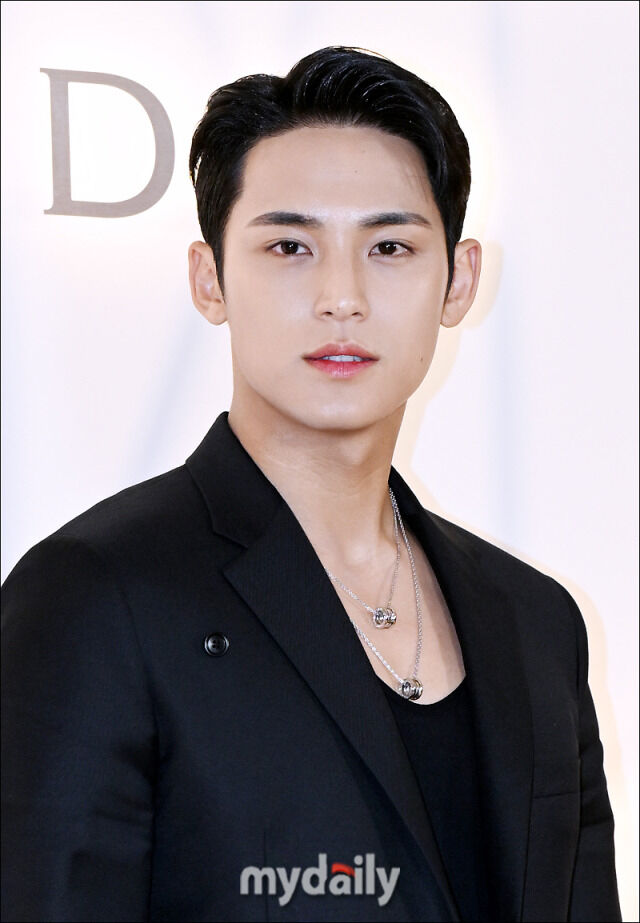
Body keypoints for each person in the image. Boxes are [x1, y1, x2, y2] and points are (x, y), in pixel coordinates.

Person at [1, 45, 621, 923]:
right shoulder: (97, 596)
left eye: (390, 246)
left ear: (459, 280)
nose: (342, 296)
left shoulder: (538, 622)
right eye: (290, 246)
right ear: (209, 278)